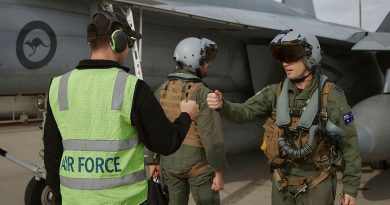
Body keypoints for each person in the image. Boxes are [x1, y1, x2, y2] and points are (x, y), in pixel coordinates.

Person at [43, 11, 199, 205]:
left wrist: (60, 198)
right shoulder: (132, 88)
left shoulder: (58, 86)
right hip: (124, 201)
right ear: (119, 41)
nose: (129, 49)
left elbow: (52, 153)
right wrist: (186, 115)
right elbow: (166, 143)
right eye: (130, 42)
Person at [207, 29, 361, 205]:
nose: (285, 63)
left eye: (292, 56)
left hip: (318, 182)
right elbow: (244, 112)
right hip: (282, 183)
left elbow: (350, 143)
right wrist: (223, 105)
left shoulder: (331, 96)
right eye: (282, 57)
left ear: (310, 57)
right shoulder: (274, 92)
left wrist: (350, 187)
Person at [149, 37, 227, 205]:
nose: (208, 65)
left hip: (169, 165)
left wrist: (153, 161)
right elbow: (211, 136)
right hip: (198, 168)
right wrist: (218, 172)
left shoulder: (161, 90)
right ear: (194, 60)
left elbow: (153, 130)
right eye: (205, 61)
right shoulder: (203, 93)